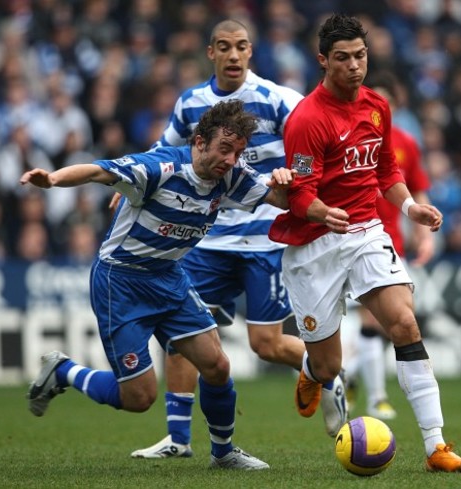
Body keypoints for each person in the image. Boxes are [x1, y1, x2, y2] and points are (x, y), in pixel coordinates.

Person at [22, 100, 296, 470]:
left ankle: (224, 452)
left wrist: (286, 178)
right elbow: (97, 171)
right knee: (139, 397)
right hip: (120, 282)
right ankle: (63, 371)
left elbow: (279, 199)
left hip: (168, 277)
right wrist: (53, 179)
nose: (232, 160)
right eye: (224, 150)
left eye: (238, 153)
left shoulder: (228, 175)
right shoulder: (159, 168)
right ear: (199, 142)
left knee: (216, 365)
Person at [130, 19, 347, 460]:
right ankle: (178, 440)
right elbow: (162, 149)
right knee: (181, 337)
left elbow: (318, 140)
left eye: (241, 46)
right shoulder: (191, 103)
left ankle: (325, 374)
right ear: (210, 52)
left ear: (251, 52)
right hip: (206, 238)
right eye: (224, 47)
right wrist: (127, 185)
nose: (233, 55)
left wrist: (295, 172)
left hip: (263, 238)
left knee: (264, 345)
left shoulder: (278, 98)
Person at [268, 14, 461, 472]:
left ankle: (436, 447)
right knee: (329, 364)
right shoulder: (307, 119)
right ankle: (311, 372)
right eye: (343, 59)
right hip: (314, 245)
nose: (354, 67)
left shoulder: (378, 106)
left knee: (403, 323)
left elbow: (386, 172)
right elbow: (298, 193)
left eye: (360, 56)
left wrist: (409, 208)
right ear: (323, 61)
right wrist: (323, 211)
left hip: (364, 232)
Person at [343, 72, 435, 421]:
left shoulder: (406, 144)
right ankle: (376, 397)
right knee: (378, 322)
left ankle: (356, 379)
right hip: (349, 234)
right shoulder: (349, 136)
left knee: (386, 321)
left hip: (388, 237)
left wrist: (423, 233)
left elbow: (417, 186)